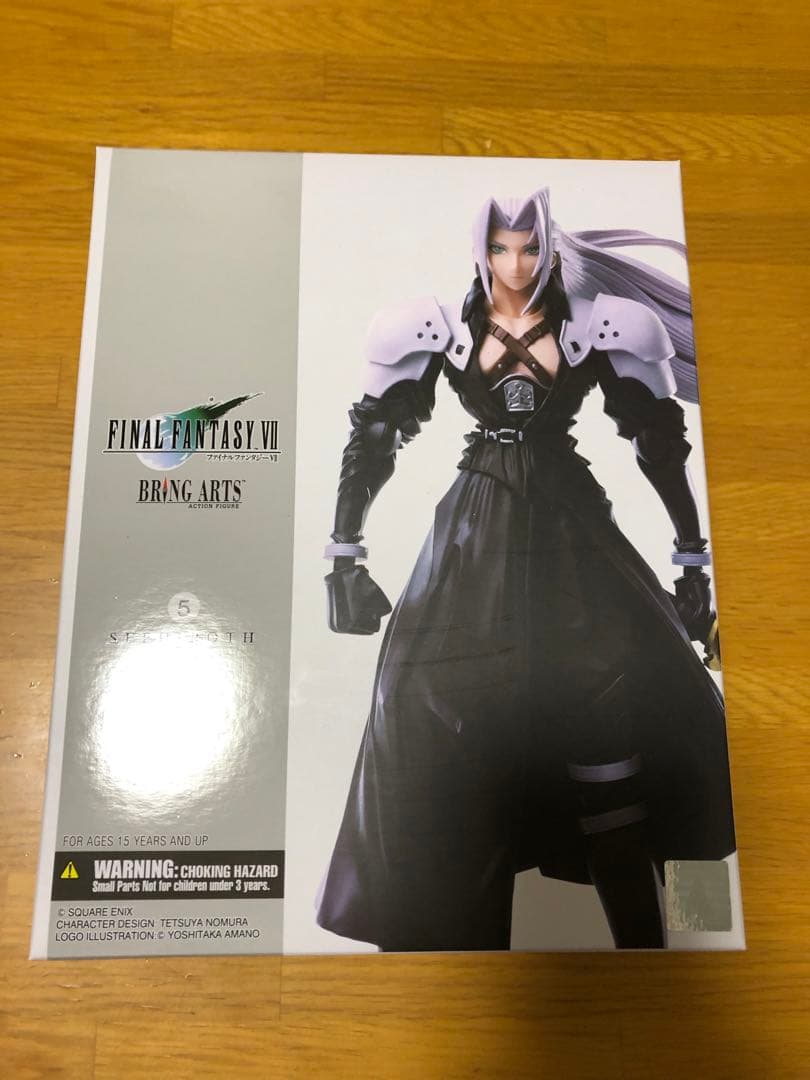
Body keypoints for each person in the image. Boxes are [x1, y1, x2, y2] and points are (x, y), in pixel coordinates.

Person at [317, 189, 736, 951]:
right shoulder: (434, 328)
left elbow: (659, 446)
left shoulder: (603, 324)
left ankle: (678, 945)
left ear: (550, 248)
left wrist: (693, 563)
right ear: (481, 249)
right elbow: (376, 436)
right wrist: (345, 552)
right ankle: (439, 951)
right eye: (501, 247)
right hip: (473, 537)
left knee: (659, 727)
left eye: (530, 247)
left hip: (573, 534)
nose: (516, 264)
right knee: (420, 720)